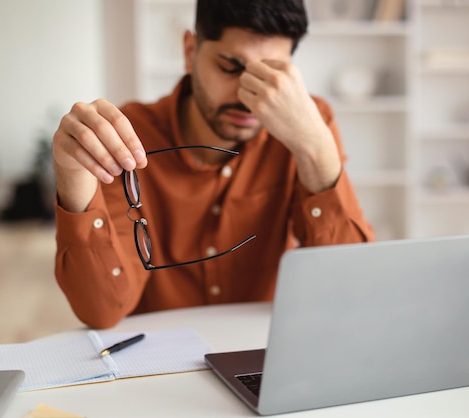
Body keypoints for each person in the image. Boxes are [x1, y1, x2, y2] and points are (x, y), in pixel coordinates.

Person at [52, 0, 375, 329]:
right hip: (158, 360)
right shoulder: (125, 136)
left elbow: (350, 291)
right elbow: (103, 309)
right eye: (230, 67)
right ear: (190, 52)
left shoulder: (310, 123)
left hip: (260, 354)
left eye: (271, 75)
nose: (249, 96)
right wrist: (73, 177)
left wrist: (315, 149)